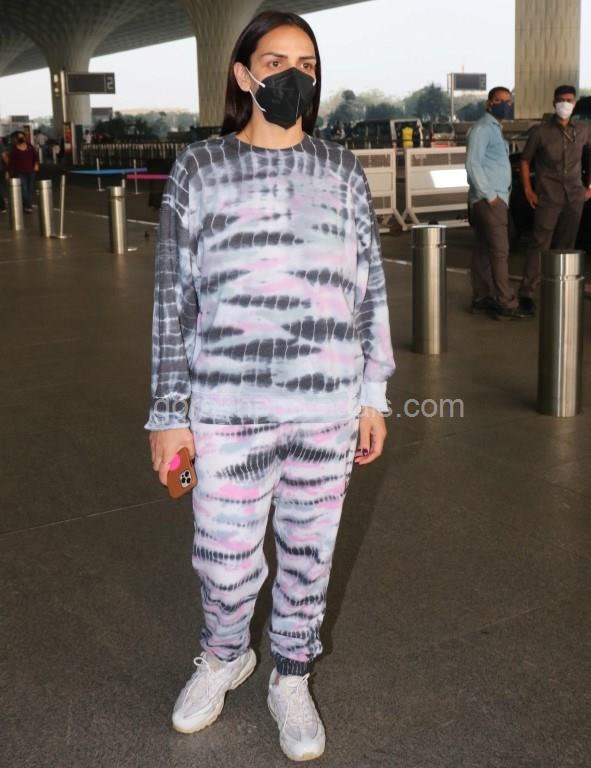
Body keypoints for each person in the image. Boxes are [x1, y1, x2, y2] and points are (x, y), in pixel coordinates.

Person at [145, 10, 395, 762]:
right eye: (276, 60)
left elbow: (369, 290)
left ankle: (291, 672)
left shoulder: (341, 169)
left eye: (306, 64)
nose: (293, 74)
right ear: (243, 74)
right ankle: (225, 655)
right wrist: (167, 414)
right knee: (223, 561)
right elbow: (172, 301)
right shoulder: (200, 168)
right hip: (227, 407)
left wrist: (373, 395)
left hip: (325, 405)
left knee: (309, 555)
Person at [519, 84, 591, 315]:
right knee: (539, 243)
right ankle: (527, 293)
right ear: (553, 103)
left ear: (575, 103)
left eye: (569, 100)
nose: (565, 104)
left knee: (566, 245)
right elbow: (525, 160)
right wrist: (529, 190)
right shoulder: (540, 132)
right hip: (548, 197)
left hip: (574, 197)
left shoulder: (583, 130)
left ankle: (560, 289)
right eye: (561, 100)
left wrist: (589, 187)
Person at [465, 87, 530, 320]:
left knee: (483, 250)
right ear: (489, 103)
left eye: (508, 101)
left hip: (492, 199)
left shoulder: (494, 129)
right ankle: (506, 303)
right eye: (499, 100)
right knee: (500, 252)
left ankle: (482, 297)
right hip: (490, 201)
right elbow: (473, 163)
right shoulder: (483, 129)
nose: (505, 105)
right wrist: (490, 195)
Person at [8, 131, 39, 213]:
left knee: (30, 189)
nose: (21, 138)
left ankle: (26, 204)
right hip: (20, 172)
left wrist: (36, 164)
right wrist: (8, 172)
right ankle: (28, 206)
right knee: (24, 189)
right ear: (16, 139)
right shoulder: (14, 149)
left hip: (31, 171)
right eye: (19, 137)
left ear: (24, 137)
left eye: (22, 136)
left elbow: (35, 156)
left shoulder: (30, 146)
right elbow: (11, 161)